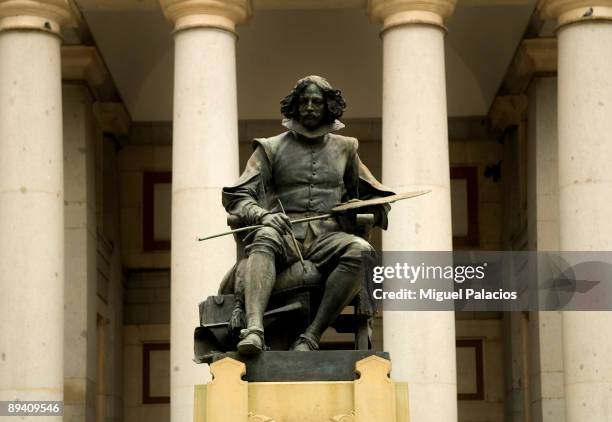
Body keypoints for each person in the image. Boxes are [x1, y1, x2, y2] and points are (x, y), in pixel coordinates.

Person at [222, 75, 394, 354]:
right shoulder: (269, 148)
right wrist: (263, 216)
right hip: (283, 234)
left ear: (329, 107)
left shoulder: (347, 148)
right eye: (304, 101)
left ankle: (311, 336)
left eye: (317, 101)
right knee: (264, 236)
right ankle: (254, 330)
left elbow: (375, 195)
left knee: (362, 251)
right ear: (294, 106)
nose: (310, 107)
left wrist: (361, 209)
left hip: (328, 238)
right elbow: (237, 196)